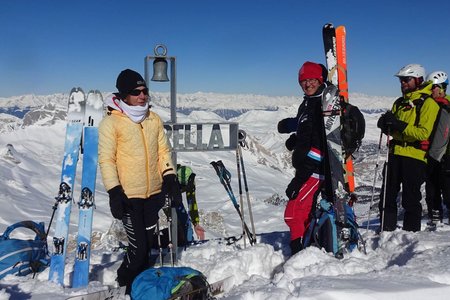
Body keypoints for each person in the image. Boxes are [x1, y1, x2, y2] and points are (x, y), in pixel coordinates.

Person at [98, 69, 182, 294]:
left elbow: (163, 151)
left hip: (153, 194)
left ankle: (144, 288)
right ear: (124, 95)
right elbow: (107, 160)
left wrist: (170, 176)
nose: (142, 95)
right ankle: (125, 282)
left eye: (145, 91)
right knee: (138, 249)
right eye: (136, 92)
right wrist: (114, 191)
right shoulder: (111, 123)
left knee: (147, 248)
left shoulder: (153, 119)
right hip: (128, 196)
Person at [377, 64, 439, 232]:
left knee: (410, 199)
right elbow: (395, 129)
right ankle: (385, 230)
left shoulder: (428, 103)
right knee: (387, 196)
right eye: (401, 80)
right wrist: (386, 125)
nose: (402, 83)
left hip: (415, 155)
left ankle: (410, 234)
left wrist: (398, 124)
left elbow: (423, 133)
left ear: (418, 80)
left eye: (406, 80)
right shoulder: (399, 102)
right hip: (395, 153)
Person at [277, 61, 330, 255]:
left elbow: (320, 147)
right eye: (303, 81)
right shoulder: (309, 103)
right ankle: (308, 247)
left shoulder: (323, 106)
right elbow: (307, 128)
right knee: (303, 213)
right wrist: (295, 138)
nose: (307, 84)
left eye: (312, 80)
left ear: (320, 79)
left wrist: (299, 179)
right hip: (308, 169)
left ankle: (299, 254)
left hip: (313, 171)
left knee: (293, 214)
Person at [424, 71, 450, 225]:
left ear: (441, 88)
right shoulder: (430, 104)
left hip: (445, 155)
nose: (430, 90)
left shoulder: (447, 105)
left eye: (432, 87)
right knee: (432, 187)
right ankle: (435, 215)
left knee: (446, 188)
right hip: (433, 153)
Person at [176, 164, 206, 240]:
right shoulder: (170, 177)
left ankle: (187, 241)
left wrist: (196, 223)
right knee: (180, 223)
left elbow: (192, 202)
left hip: (174, 197)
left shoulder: (190, 181)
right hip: (162, 196)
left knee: (185, 224)